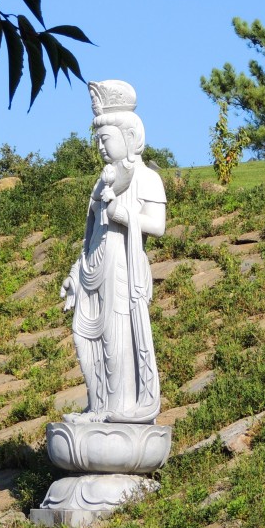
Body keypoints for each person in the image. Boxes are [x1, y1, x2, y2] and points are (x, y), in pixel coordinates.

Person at [61, 80, 166, 424]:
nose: (101, 148)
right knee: (85, 337)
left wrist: (122, 213)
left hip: (123, 269)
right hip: (95, 272)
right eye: (98, 141)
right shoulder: (100, 182)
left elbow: (158, 225)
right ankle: (97, 404)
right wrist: (74, 275)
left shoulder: (146, 178)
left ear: (130, 138)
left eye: (106, 139)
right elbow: (89, 235)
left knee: (118, 338)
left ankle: (119, 408)